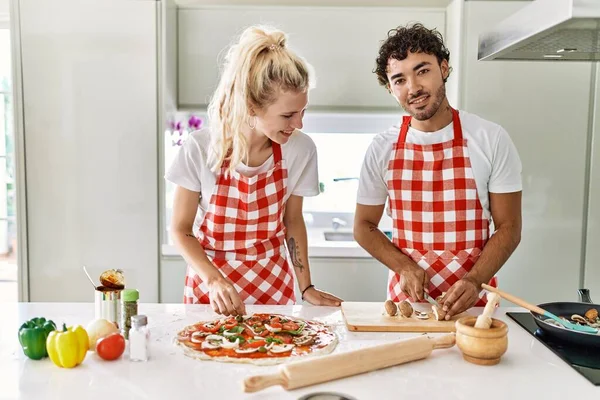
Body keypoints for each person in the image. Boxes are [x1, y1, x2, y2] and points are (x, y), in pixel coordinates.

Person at [166, 25, 342, 315]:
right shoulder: (201, 147)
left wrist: (306, 286)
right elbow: (180, 229)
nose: (298, 124)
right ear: (250, 105)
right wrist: (214, 281)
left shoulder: (300, 150)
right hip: (211, 290)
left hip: (273, 285)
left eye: (302, 111)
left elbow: (293, 220)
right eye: (287, 115)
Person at [354, 23, 522, 319]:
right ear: (391, 89)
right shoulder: (382, 148)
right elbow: (363, 226)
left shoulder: (490, 138)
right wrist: (403, 266)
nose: (413, 88)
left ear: (444, 68)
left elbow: (509, 227)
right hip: (408, 306)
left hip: (475, 304)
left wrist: (473, 281)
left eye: (423, 71)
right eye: (399, 80)